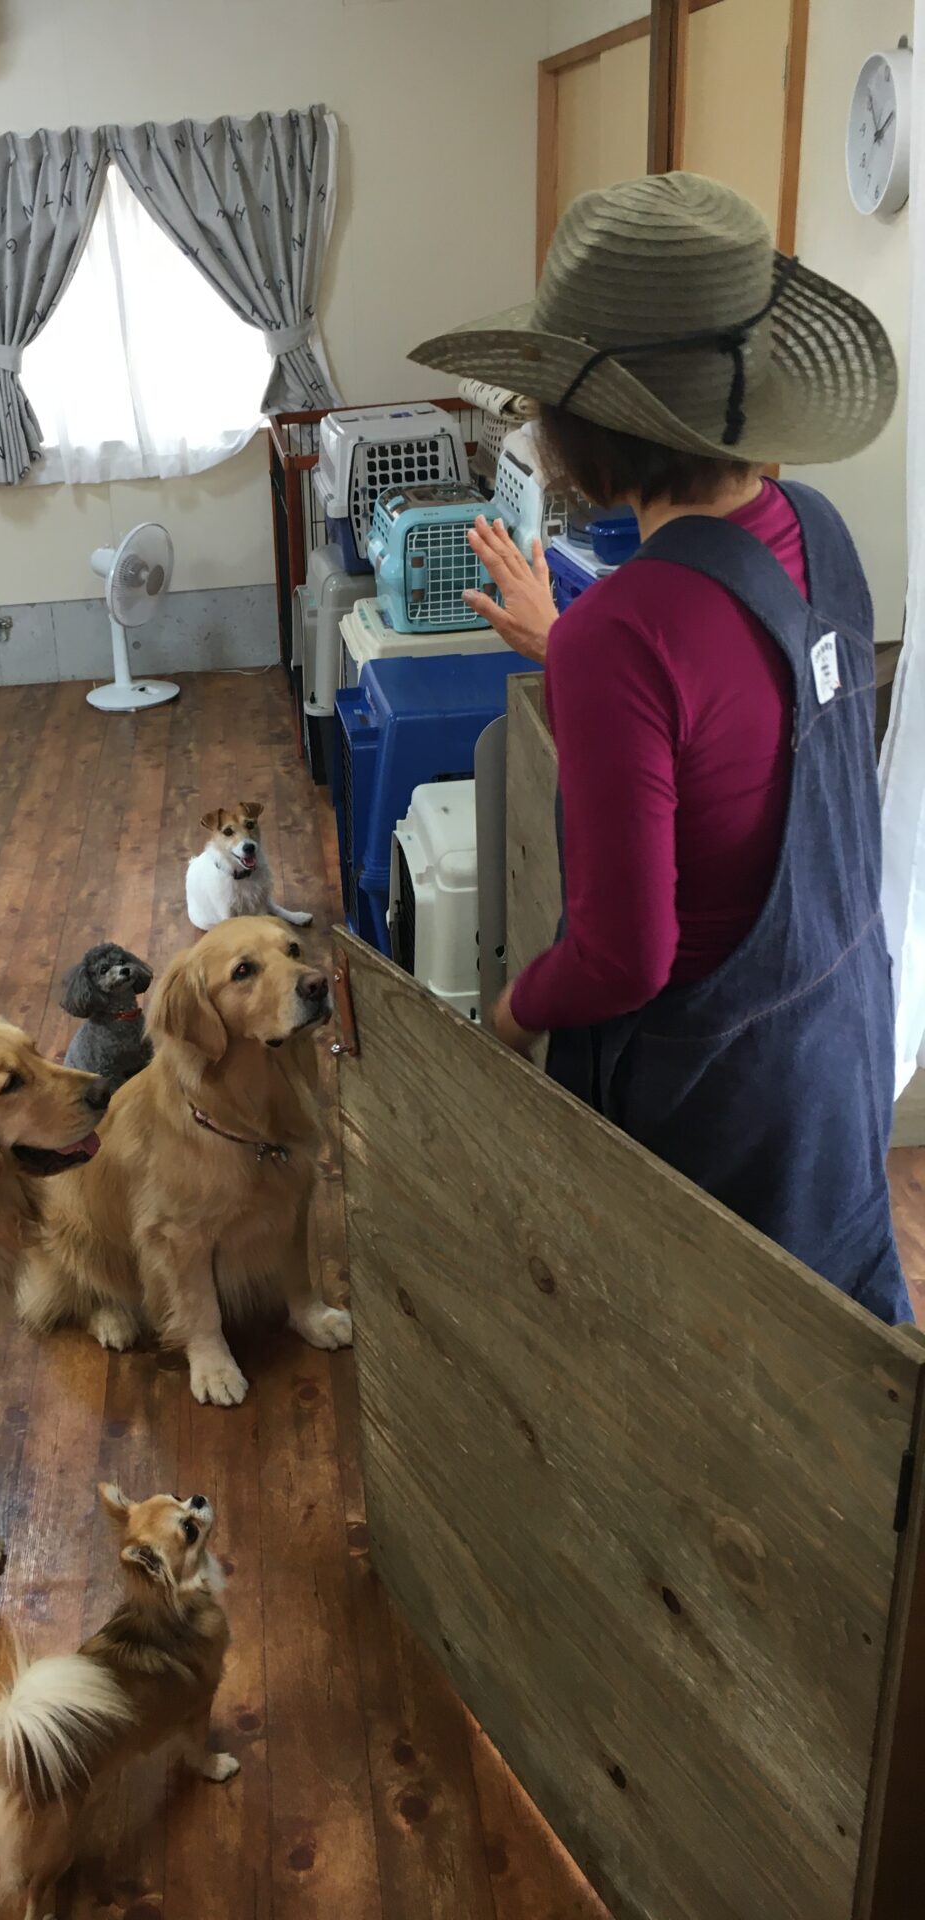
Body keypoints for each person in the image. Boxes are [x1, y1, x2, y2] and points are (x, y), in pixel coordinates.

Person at [409, 171, 912, 1326]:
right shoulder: (820, 528)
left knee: (695, 1364)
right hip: (840, 1041)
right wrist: (571, 644)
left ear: (582, 428)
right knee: (845, 1350)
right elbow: (747, 726)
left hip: (719, 1097)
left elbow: (623, 959)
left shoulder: (624, 636)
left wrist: (508, 1014)